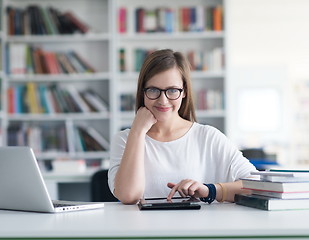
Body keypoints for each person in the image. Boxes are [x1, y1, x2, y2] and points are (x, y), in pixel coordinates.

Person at [108, 49, 256, 205]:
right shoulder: (124, 139)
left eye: (172, 90)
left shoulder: (208, 137)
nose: (163, 100)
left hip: (196, 229)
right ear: (143, 92)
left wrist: (209, 190)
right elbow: (129, 196)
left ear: (184, 91)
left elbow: (257, 186)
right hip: (144, 229)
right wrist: (137, 131)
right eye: (153, 90)